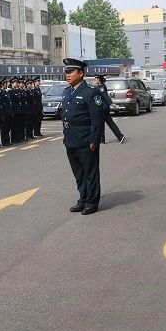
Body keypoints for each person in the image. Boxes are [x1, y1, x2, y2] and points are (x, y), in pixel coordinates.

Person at [61, 58, 105, 215]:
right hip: (71, 139)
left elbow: (97, 119)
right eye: (66, 72)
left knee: (90, 173)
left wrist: (94, 139)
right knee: (79, 173)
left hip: (86, 139)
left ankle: (92, 202)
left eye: (71, 71)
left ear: (81, 73)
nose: (67, 75)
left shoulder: (90, 92)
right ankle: (83, 198)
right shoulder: (67, 92)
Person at [95, 74, 125, 143]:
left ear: (98, 79)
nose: (95, 80)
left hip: (103, 108)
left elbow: (105, 95)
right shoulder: (100, 86)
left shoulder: (101, 86)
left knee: (104, 123)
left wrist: (111, 103)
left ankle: (119, 136)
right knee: (106, 123)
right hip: (103, 108)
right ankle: (103, 139)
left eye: (95, 78)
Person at [0, 77, 12, 146]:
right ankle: (4, 141)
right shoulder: (0, 93)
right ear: (2, 85)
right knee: (3, 128)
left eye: (6, 83)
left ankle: (7, 141)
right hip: (4, 112)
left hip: (8, 112)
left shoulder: (6, 92)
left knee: (7, 127)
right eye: (5, 84)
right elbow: (1, 104)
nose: (6, 85)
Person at [9, 77, 22, 143]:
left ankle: (17, 138)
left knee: (18, 125)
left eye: (17, 83)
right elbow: (11, 102)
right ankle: (13, 139)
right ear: (12, 84)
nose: (16, 84)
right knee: (13, 126)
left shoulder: (17, 91)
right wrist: (12, 111)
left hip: (18, 110)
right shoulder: (10, 91)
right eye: (15, 83)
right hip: (14, 110)